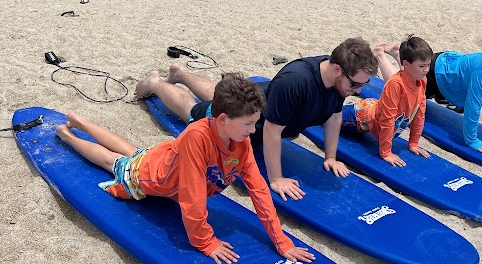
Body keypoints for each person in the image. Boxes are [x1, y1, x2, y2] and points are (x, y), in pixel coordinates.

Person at [55, 73, 314, 264]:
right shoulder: (197, 137)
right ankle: (69, 135)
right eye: (248, 123)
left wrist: (280, 240)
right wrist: (206, 242)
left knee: (133, 153)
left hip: (160, 158)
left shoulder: (240, 140)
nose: (253, 130)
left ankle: (83, 122)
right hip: (149, 176)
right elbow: (191, 196)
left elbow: (258, 188)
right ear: (223, 119)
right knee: (114, 162)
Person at [135, 38, 379, 201]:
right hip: (251, 121)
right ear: (337, 69)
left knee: (221, 94)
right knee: (194, 110)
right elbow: (272, 132)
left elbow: (334, 115)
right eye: (355, 84)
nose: (357, 90)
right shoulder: (296, 81)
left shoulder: (338, 82)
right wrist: (276, 179)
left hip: (260, 99)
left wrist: (331, 157)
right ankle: (155, 83)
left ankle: (181, 74)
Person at [341, 36, 433, 166]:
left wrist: (413, 143)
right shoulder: (395, 84)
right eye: (422, 66)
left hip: (374, 109)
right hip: (361, 117)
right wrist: (386, 152)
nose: (426, 69)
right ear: (405, 64)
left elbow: (419, 113)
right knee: (327, 115)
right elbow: (387, 119)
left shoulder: (422, 80)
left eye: (428, 65)